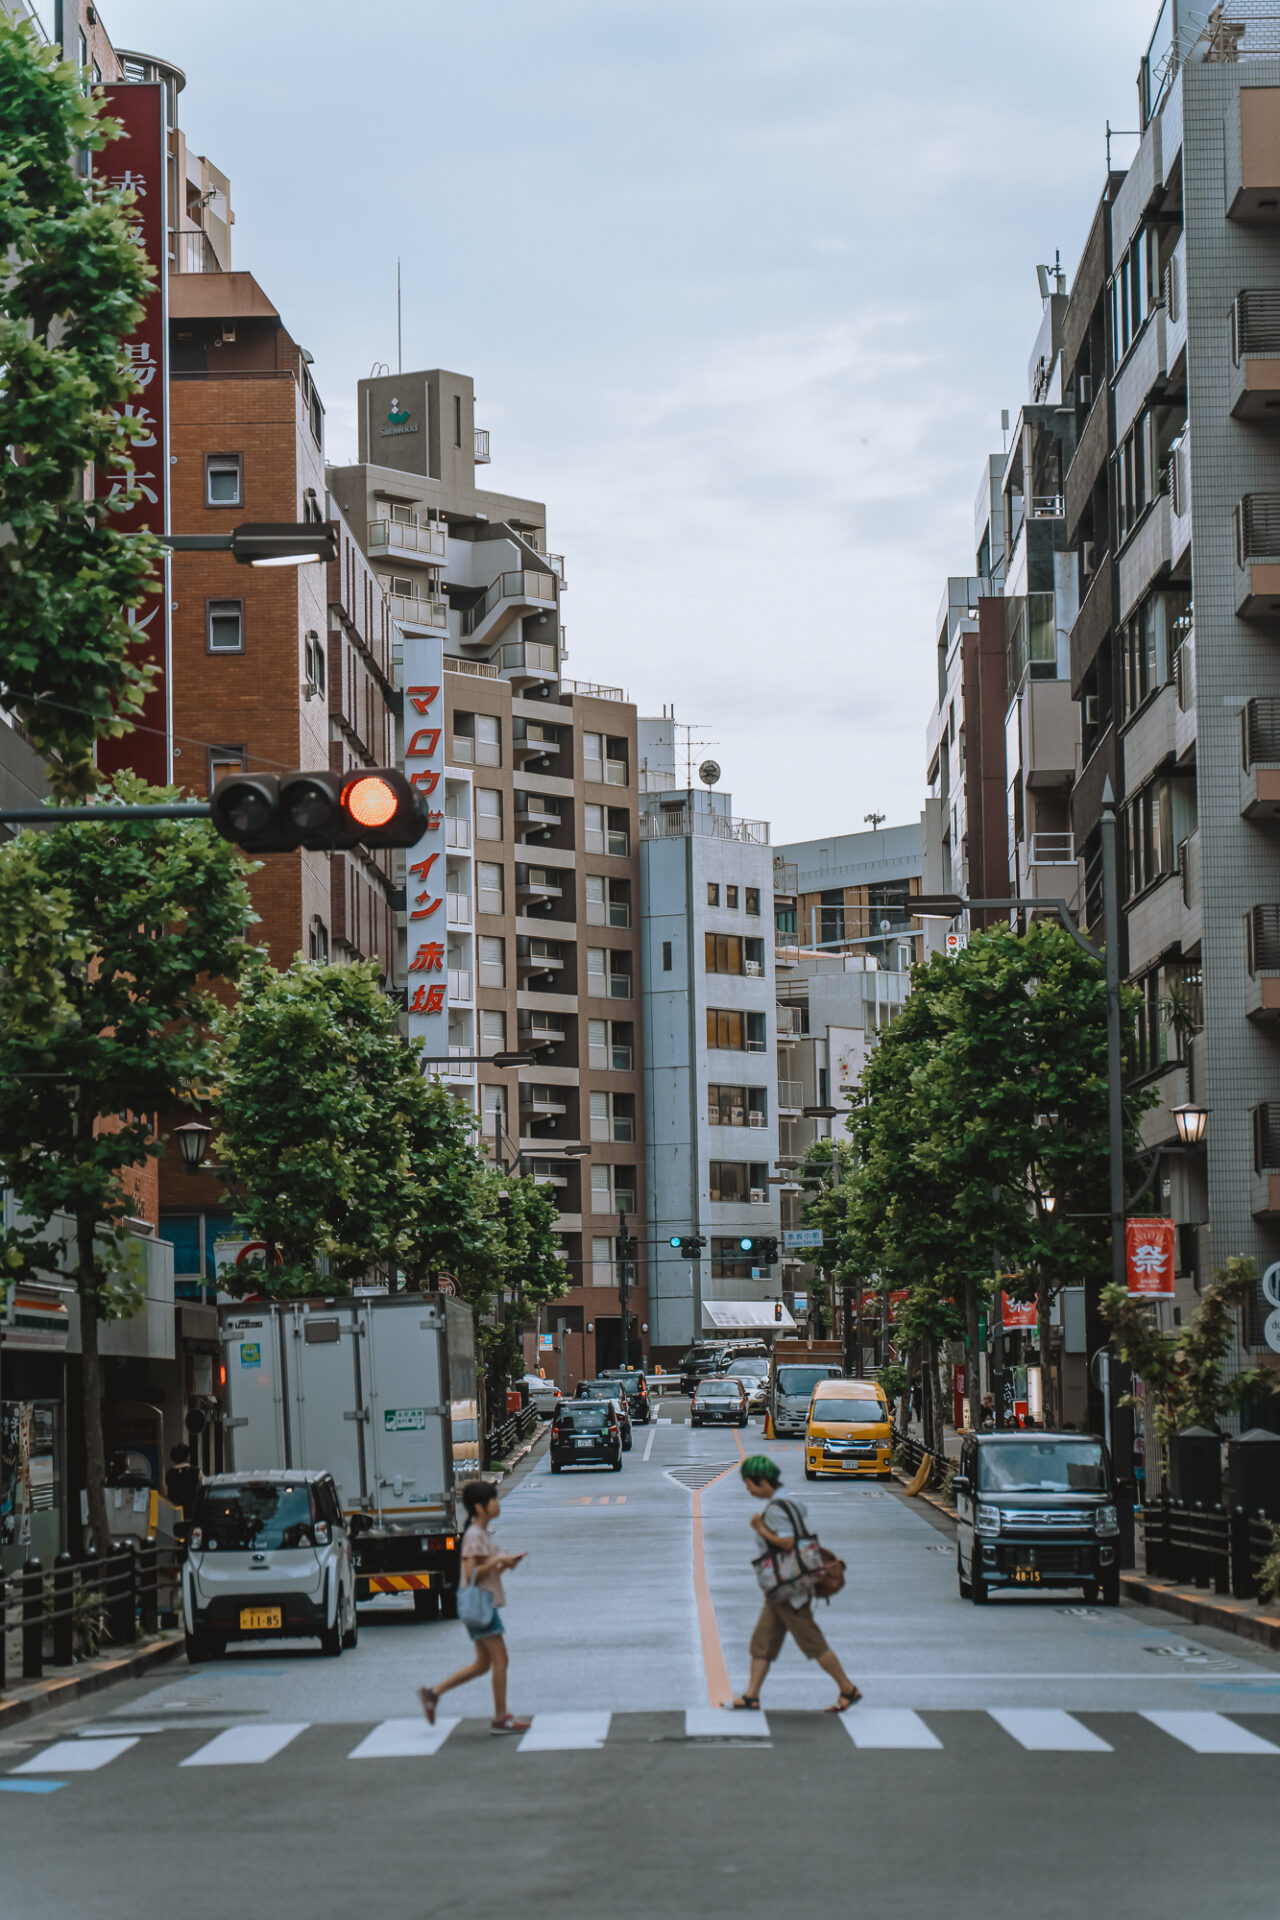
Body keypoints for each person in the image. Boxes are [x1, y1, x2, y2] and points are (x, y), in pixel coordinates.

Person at [731, 1455, 861, 1714]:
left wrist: (762, 1529)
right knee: (762, 1641)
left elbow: (788, 1542)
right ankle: (751, 1696)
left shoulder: (777, 1509)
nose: (749, 1490)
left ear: (763, 1482)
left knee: (813, 1642)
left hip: (790, 1588)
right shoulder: (790, 1500)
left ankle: (848, 1688)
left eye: (750, 1484)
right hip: (782, 1589)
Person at [418, 1480, 529, 1735]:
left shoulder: (479, 1533)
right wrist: (499, 1559)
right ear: (480, 1507)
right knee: (501, 1659)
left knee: (482, 1664)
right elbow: (472, 1573)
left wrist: (505, 1563)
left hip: (481, 1604)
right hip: (482, 1606)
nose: (497, 1504)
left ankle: (433, 1693)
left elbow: (482, 1571)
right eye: (493, 1500)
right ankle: (501, 1718)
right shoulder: (474, 1535)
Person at [164, 1443, 200, 1516]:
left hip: (175, 1512)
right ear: (187, 1456)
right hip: (193, 1511)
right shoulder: (196, 1471)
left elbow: (165, 1493)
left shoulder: (169, 1473)